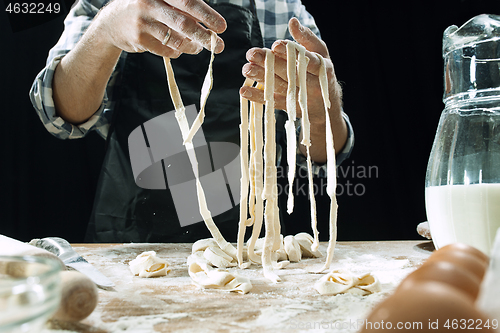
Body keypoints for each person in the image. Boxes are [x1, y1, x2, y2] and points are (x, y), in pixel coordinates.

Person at [30, 0, 354, 243]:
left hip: (249, 240)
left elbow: (322, 156)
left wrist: (321, 106)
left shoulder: (281, 7)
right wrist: (105, 31)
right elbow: (60, 115)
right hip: (133, 237)